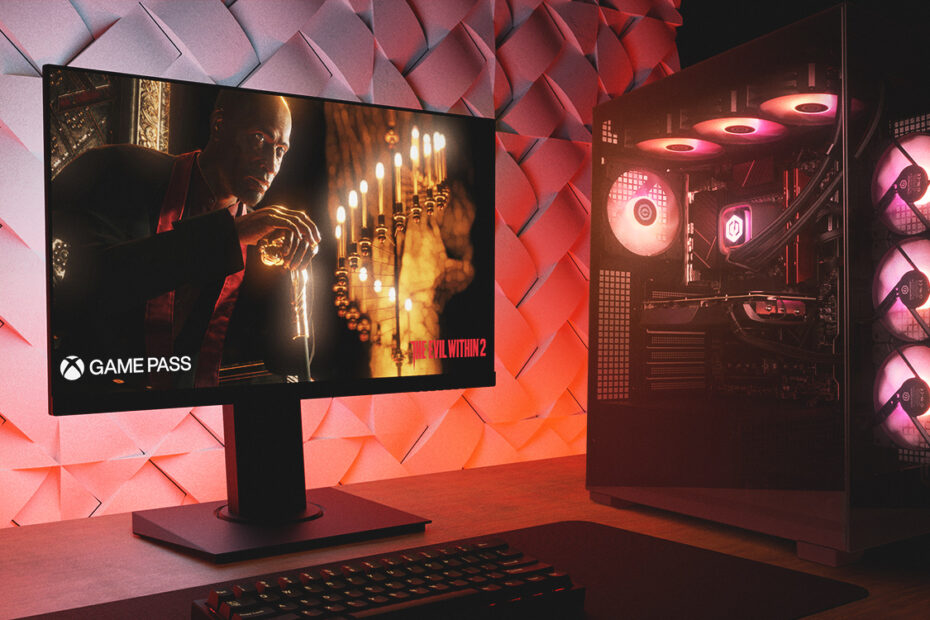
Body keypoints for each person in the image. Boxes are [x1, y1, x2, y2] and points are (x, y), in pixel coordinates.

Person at [51, 90, 320, 389]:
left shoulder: (263, 245)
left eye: (281, 150)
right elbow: (95, 287)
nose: (271, 165)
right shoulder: (119, 169)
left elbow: (283, 361)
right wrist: (231, 234)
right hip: (83, 396)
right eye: (259, 138)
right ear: (219, 125)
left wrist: (298, 287)